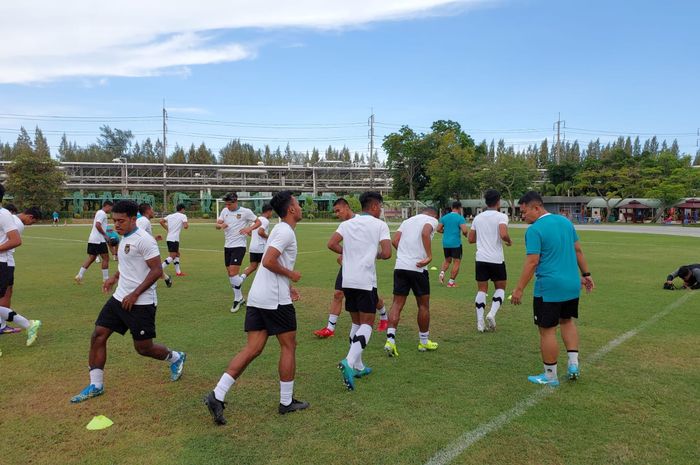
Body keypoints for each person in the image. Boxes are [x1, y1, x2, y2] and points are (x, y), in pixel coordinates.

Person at [204, 191, 308, 425]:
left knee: (253, 348)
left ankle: (217, 395)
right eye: (298, 204)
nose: (300, 207)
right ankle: (286, 401)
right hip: (274, 300)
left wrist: (288, 284)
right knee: (289, 345)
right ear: (291, 209)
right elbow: (269, 261)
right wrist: (291, 275)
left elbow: (274, 261)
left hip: (259, 296)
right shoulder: (284, 231)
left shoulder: (281, 230)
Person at [70, 200, 186, 403]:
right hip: (119, 299)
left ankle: (175, 357)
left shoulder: (144, 240)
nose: (116, 225)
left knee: (143, 348)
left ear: (133, 219)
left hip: (141, 303)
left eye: (121, 221)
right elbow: (127, 265)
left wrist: (135, 294)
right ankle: (96, 384)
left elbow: (156, 270)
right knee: (98, 335)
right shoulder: (124, 238)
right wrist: (114, 278)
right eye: (114, 221)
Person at [511, 191, 594, 386]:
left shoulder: (534, 230)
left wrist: (519, 289)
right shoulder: (565, 222)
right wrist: (587, 274)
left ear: (536, 207)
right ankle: (573, 365)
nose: (523, 216)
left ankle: (550, 375)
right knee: (567, 321)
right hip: (572, 284)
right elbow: (578, 250)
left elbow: (532, 262)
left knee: (547, 330)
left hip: (549, 287)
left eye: (524, 212)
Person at [328, 191, 391, 391]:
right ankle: (348, 360)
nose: (381, 210)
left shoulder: (346, 224)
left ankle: (358, 365)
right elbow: (388, 253)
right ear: (373, 206)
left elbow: (331, 244)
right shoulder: (380, 225)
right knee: (367, 324)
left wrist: (347, 253)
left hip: (348, 279)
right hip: (365, 280)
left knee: (356, 322)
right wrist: (375, 254)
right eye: (380, 206)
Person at [313, 198, 389, 338]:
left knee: (372, 296)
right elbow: (332, 244)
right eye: (335, 211)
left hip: (363, 268)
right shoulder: (345, 224)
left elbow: (375, 248)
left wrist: (357, 255)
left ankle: (384, 315)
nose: (337, 214)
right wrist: (346, 254)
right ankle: (330, 328)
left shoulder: (362, 220)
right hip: (348, 266)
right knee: (337, 294)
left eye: (338, 210)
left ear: (347, 207)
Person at [383, 207, 439, 357]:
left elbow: (395, 240)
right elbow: (425, 232)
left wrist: (404, 254)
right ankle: (423, 341)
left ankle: (390, 340)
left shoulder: (407, 221)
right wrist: (429, 256)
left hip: (400, 267)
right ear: (434, 214)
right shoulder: (432, 220)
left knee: (397, 303)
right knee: (423, 305)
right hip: (418, 268)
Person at [467, 190, 512, 332]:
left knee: (482, 290)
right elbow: (503, 233)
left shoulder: (478, 218)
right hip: (496, 259)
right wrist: (508, 241)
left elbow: (470, 239)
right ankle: (492, 314)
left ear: (486, 202)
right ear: (498, 202)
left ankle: (480, 322)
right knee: (500, 288)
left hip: (481, 259)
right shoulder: (501, 216)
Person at [0, 204, 42, 347]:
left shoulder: (12, 220)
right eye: (33, 221)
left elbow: (12, 241)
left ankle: (19, 324)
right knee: (5, 295)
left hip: (4, 262)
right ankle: (24, 324)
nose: (31, 224)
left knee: (5, 295)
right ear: (30, 216)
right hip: (7, 263)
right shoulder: (11, 218)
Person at [215, 192, 260, 313]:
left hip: (239, 246)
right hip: (227, 246)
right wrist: (220, 225)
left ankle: (237, 298)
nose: (227, 206)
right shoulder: (224, 211)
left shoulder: (246, 212)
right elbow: (217, 224)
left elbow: (258, 222)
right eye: (226, 204)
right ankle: (239, 297)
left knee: (233, 273)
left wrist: (249, 228)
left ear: (236, 202)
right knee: (230, 273)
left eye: (229, 204)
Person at [239, 203, 273, 298]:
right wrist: (269, 237)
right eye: (271, 212)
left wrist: (255, 237)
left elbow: (249, 232)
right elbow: (260, 232)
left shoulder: (255, 220)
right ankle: (263, 288)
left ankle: (240, 280)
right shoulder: (265, 221)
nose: (272, 214)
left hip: (253, 247)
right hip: (261, 248)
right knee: (266, 267)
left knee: (253, 266)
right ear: (269, 211)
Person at [75, 200, 113, 284]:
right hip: (99, 240)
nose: (111, 209)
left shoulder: (99, 212)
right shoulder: (102, 213)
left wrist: (106, 231)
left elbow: (99, 225)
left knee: (91, 258)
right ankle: (106, 279)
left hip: (92, 239)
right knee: (106, 258)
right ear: (107, 206)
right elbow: (97, 225)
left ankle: (79, 275)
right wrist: (105, 235)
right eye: (111, 207)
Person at [137, 203, 172, 288]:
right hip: (145, 250)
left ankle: (167, 278)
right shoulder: (144, 221)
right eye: (152, 209)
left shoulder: (142, 220)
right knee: (154, 269)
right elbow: (138, 234)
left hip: (144, 249)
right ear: (148, 210)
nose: (153, 211)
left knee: (154, 268)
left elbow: (143, 235)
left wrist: (154, 239)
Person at [437, 201, 468, 287]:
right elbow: (465, 230)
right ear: (459, 208)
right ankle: (451, 282)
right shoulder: (460, 218)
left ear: (452, 207)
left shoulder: (444, 217)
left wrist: (445, 231)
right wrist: (465, 235)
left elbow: (438, 229)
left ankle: (442, 273)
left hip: (446, 243)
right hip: (456, 243)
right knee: (456, 262)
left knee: (447, 260)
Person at [160, 203, 188, 277]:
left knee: (177, 254)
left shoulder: (170, 216)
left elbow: (161, 221)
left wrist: (167, 229)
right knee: (172, 256)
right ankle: (158, 270)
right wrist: (185, 224)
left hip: (169, 238)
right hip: (174, 239)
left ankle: (178, 272)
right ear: (182, 209)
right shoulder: (183, 216)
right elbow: (186, 226)